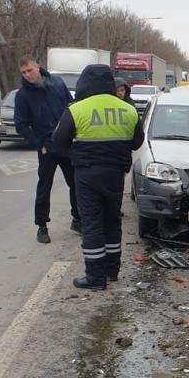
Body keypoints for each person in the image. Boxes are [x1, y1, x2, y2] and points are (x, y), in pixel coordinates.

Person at [53, 64, 144, 290]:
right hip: (115, 174)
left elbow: (59, 142)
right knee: (112, 221)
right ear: (111, 84)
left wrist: (77, 152)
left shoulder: (77, 109)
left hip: (86, 174)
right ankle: (112, 271)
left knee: (92, 223)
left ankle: (95, 278)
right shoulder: (128, 110)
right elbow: (136, 142)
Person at [14, 56, 80, 244]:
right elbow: (21, 125)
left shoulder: (57, 83)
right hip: (46, 147)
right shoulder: (23, 95)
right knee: (44, 187)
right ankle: (42, 226)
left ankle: (78, 219)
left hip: (67, 143)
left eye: (30, 70)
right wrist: (39, 144)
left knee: (75, 184)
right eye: (24, 72)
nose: (28, 75)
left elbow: (72, 108)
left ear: (38, 67)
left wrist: (75, 134)